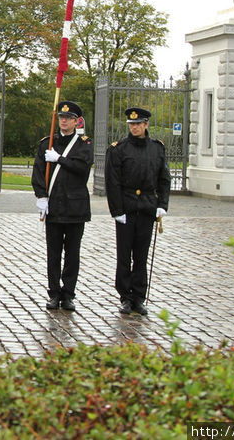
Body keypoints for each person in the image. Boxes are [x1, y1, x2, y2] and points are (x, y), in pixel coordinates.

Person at [104, 107, 171, 316]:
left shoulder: (157, 148)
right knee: (124, 255)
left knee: (141, 256)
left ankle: (139, 297)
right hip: (127, 207)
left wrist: (162, 204)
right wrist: (116, 209)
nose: (135, 127)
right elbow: (112, 182)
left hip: (147, 207)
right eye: (132, 124)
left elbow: (164, 179)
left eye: (138, 124)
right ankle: (125, 296)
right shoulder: (118, 149)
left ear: (146, 125)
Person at [31, 100, 94, 311]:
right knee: (53, 253)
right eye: (61, 118)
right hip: (54, 205)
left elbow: (82, 167)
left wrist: (59, 160)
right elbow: (38, 171)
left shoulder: (83, 143)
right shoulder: (47, 143)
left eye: (68, 118)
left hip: (75, 207)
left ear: (76, 122)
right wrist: (41, 195)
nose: (64, 121)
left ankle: (68, 294)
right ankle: (53, 293)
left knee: (72, 254)